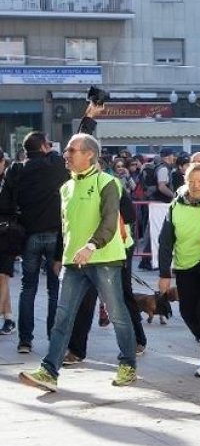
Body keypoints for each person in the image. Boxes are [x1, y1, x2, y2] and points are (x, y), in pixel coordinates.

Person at [19, 132, 139, 392]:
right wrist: (60, 257)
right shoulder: (65, 187)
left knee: (117, 314)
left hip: (105, 259)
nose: (66, 154)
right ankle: (49, 371)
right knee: (63, 317)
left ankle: (128, 365)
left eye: (72, 151)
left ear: (89, 155)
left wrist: (91, 245)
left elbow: (109, 221)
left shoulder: (108, 183)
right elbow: (65, 227)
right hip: (74, 263)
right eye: (67, 151)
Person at [157, 163, 200, 377]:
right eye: (192, 181)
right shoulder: (175, 205)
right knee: (187, 311)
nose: (196, 186)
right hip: (184, 265)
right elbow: (165, 242)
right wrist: (164, 274)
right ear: (185, 181)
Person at [9, 128, 71, 353]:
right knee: (55, 289)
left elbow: (6, 203)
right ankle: (54, 338)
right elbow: (69, 152)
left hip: (29, 235)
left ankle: (25, 340)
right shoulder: (54, 166)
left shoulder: (16, 169)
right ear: (44, 146)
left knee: (28, 288)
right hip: (55, 234)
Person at [0, 150, 19, 335]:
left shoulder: (10, 181)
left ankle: (7, 318)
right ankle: (8, 318)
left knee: (2, 276)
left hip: (6, 235)